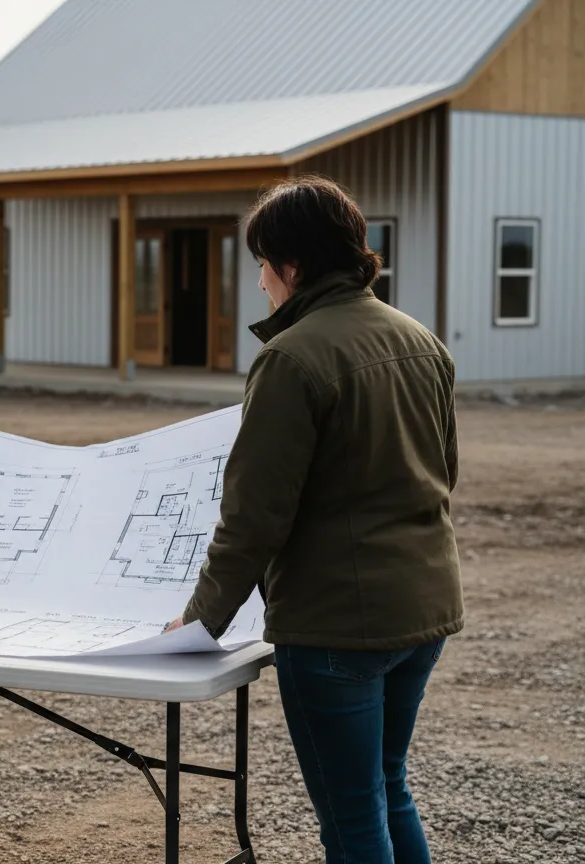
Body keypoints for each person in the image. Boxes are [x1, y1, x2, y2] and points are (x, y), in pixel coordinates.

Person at [164, 175, 463, 863]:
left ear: (292, 266)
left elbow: (253, 518)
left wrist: (201, 620)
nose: (261, 283)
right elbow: (443, 473)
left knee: (353, 818)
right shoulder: (422, 341)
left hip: (336, 628)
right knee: (388, 788)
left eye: (263, 265)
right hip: (424, 612)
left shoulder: (291, 359)